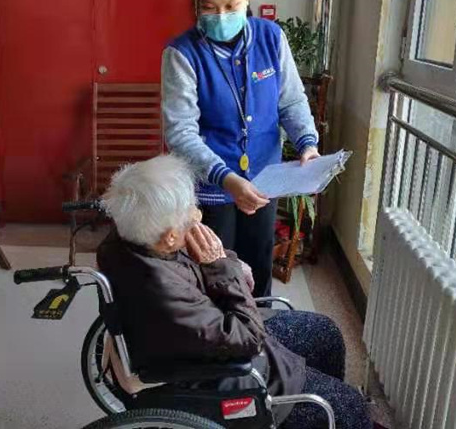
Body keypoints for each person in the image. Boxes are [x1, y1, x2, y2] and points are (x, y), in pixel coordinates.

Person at [97, 155, 372, 429]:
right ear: (169, 237)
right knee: (350, 408)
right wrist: (220, 266)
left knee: (325, 333)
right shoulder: (163, 292)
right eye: (191, 207)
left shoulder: (132, 237)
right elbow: (249, 337)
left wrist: (218, 260)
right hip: (225, 370)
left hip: (209, 331)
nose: (197, 213)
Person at [162, 0, 320, 298]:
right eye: (209, 7)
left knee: (258, 264)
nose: (221, 16)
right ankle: (220, 330)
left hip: (264, 180)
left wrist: (307, 143)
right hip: (212, 185)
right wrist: (227, 178)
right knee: (216, 272)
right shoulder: (182, 54)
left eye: (231, 5)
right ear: (195, 3)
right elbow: (180, 132)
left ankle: (260, 326)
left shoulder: (271, 38)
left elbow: (291, 101)